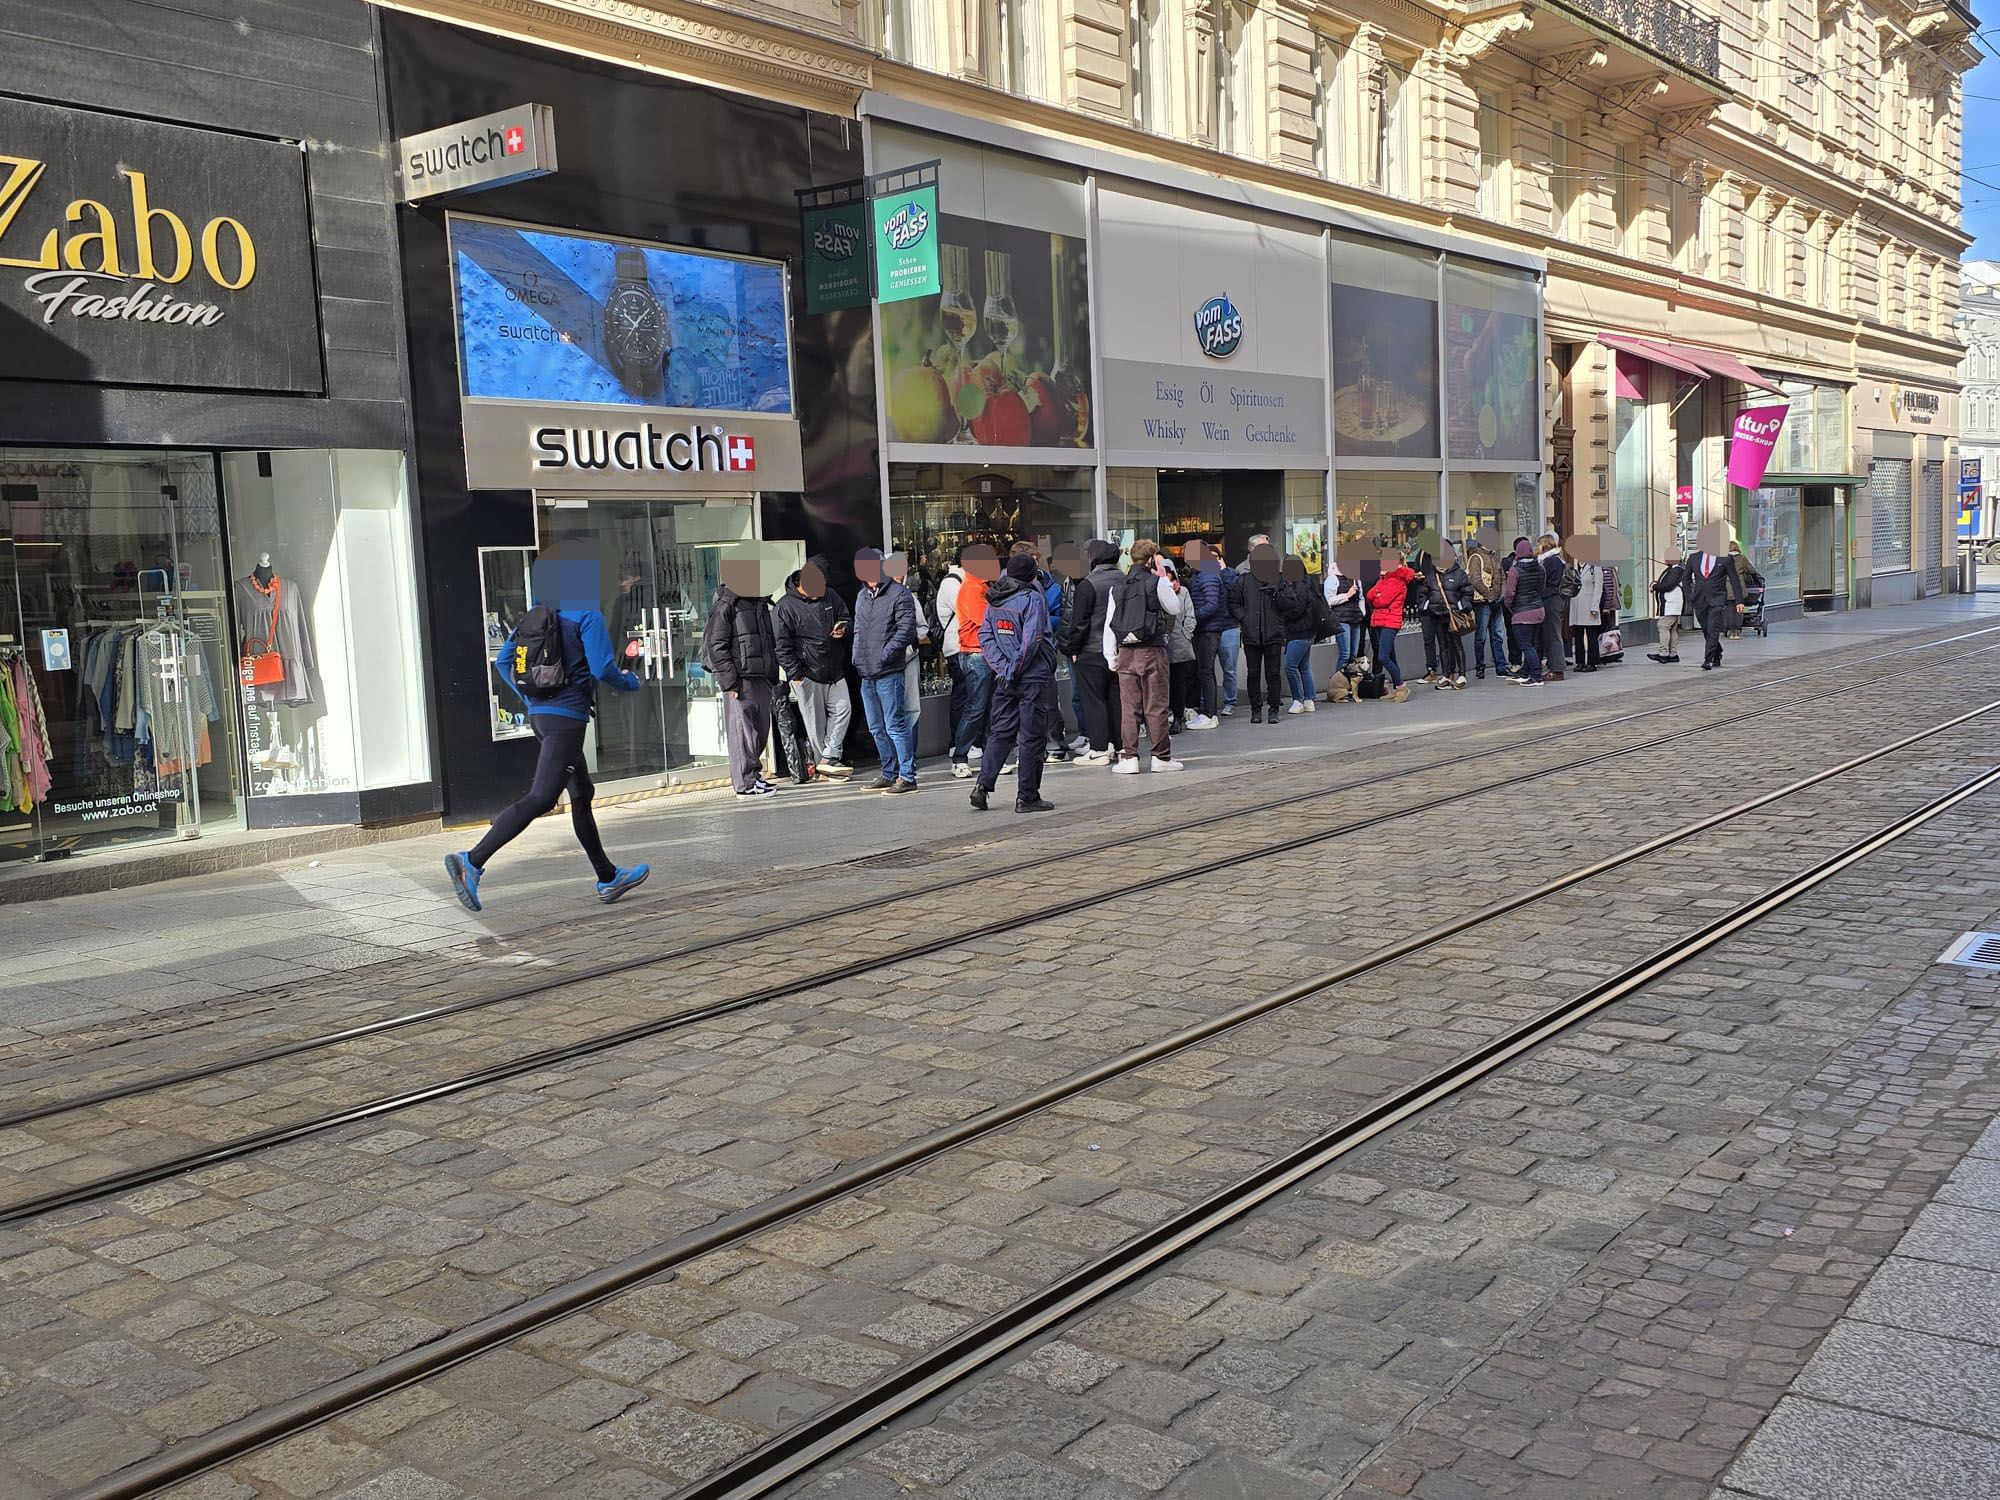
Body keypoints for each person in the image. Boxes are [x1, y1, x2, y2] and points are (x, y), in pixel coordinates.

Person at [446, 571, 649, 912]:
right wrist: (631, 682)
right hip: (567, 721)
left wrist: (529, 701)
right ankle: (472, 860)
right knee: (542, 797)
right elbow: (602, 668)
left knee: (582, 794)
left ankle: (608, 876)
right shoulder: (587, 615)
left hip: (542, 718)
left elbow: (505, 662)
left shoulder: (537, 613)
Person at [969, 552, 1058, 813]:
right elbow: (1032, 640)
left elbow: (985, 636)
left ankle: (982, 787)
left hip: (1006, 677)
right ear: (1032, 575)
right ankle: (1027, 797)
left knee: (1000, 732)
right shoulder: (1032, 598)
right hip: (1031, 676)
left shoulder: (995, 597)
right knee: (1031, 737)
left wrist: (1003, 667)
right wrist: (1016, 667)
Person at [701, 556, 782, 799]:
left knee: (759, 731)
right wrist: (729, 682)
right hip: (740, 679)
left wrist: (772, 676)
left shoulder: (760, 602)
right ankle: (744, 783)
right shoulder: (727, 603)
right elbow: (717, 644)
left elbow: (768, 641)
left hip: (761, 676)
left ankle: (754, 775)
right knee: (742, 733)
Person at [773, 556, 854, 779]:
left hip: (834, 668)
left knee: (843, 709)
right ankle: (826, 766)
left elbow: (846, 618)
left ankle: (829, 757)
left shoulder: (831, 595)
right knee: (815, 723)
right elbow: (781, 646)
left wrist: (843, 629)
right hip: (807, 673)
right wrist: (796, 674)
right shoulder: (784, 607)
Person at [1109, 538, 1186, 773]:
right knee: (1156, 705)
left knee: (1129, 707)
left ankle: (1130, 758)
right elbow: (1175, 608)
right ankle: (1161, 757)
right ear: (1152, 559)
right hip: (1151, 649)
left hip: (1125, 652)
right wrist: (1163, 577)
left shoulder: (1118, 585)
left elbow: (1109, 623)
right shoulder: (1156, 582)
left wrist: (1111, 656)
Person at [853, 547, 919, 791]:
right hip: (866, 672)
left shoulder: (900, 594)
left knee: (895, 725)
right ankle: (888, 772)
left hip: (888, 671)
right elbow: (859, 629)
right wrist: (856, 657)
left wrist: (884, 655)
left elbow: (906, 631)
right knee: (876, 727)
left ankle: (907, 775)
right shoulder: (862, 596)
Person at [1011, 539, 1073, 764]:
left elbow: (1063, 615)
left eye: (1037, 561)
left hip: (1044, 650)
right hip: (1017, 653)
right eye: (1033, 562)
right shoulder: (1006, 587)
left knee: (1048, 700)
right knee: (1020, 703)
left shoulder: (1052, 587)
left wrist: (1044, 620)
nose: (1037, 567)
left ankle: (1054, 744)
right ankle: (1025, 748)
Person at [1064, 539, 1122, 764]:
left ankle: (1099, 748)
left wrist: (1073, 649)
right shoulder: (1124, 580)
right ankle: (1121, 745)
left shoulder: (1088, 584)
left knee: (1093, 700)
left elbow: (1079, 623)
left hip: (1091, 649)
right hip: (1119, 648)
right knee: (1116, 699)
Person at [944, 544, 999, 779]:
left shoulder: (982, 586)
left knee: (988, 708)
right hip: (976, 653)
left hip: (984, 653)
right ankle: (960, 757)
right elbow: (987, 620)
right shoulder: (971, 588)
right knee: (976, 708)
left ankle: (989, 756)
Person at [1232, 542, 1289, 723]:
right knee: (1253, 673)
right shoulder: (1243, 580)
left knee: (1273, 673)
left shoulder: (1280, 579)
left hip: (1273, 633)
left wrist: (1277, 595)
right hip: (1252, 634)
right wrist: (1245, 618)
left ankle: (1273, 709)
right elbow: (1233, 602)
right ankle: (1255, 709)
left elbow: (1290, 604)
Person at [1684, 532, 1746, 670]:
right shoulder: (1694, 558)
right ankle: (1717, 652)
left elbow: (1735, 580)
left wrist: (1739, 601)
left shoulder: (1725, 558)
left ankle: (1708, 659)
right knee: (1706, 628)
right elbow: (1686, 578)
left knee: (1713, 627)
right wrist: (1689, 595)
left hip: (1717, 598)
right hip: (1699, 599)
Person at [1186, 538, 1229, 726]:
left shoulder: (1208, 575)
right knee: (1204, 671)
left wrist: (1192, 617)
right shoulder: (1202, 574)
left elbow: (1211, 605)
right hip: (1205, 629)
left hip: (1208, 630)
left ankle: (1210, 714)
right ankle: (1207, 712)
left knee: (1206, 671)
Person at [1365, 551, 1415, 703]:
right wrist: (1378, 594)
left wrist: (1378, 595)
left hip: (1390, 621)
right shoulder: (1385, 578)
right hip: (1382, 620)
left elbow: (1381, 601)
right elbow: (1370, 594)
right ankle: (1397, 687)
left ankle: (1401, 686)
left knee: (1383, 657)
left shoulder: (1395, 580)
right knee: (1390, 656)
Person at [886, 552, 926, 741]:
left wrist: (909, 643)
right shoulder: (872, 599)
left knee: (911, 706)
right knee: (890, 707)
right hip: (885, 661)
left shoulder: (910, 597)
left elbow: (922, 627)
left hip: (908, 658)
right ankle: (893, 754)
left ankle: (908, 753)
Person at [1423, 545, 1472, 689]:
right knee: (1443, 645)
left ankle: (1461, 674)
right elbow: (1423, 593)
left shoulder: (1459, 573)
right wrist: (1427, 605)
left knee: (1456, 644)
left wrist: (1461, 606)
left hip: (1453, 615)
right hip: (1437, 615)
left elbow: (1468, 592)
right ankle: (1446, 674)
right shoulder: (1431, 575)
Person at [1500, 538, 1547, 685]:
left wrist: (1509, 606)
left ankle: (1536, 676)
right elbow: (1542, 588)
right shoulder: (1540, 568)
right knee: (1532, 644)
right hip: (1538, 610)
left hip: (1522, 612)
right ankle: (1526, 672)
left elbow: (1509, 593)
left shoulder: (1515, 570)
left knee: (1526, 645)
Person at [1466, 531, 1510, 680]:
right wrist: (1491, 598)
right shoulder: (1476, 557)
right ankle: (1480, 667)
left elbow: (1503, 577)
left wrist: (1501, 597)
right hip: (1482, 603)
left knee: (1497, 635)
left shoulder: (1494, 556)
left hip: (1495, 601)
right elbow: (1475, 580)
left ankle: (1501, 666)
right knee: (1481, 637)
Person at [1322, 555, 1366, 702]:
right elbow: (1328, 600)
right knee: (1345, 653)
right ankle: (1336, 685)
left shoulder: (1355, 578)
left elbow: (1361, 598)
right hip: (1341, 619)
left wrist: (1362, 614)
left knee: (1353, 654)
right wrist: (1346, 595)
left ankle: (1350, 687)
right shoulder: (1333, 579)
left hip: (1355, 618)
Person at [1280, 556, 1318, 712]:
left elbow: (1296, 609)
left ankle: (1298, 700)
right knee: (1304, 666)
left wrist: (1282, 613)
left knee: (1290, 666)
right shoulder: (1308, 583)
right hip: (1308, 631)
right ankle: (1309, 699)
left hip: (1299, 631)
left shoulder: (1298, 586)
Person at [1167, 557, 1200, 732]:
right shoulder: (1154, 590)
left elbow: (1190, 616)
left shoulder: (1183, 592)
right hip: (1160, 646)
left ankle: (1177, 717)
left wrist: (1186, 635)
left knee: (1179, 683)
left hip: (1179, 644)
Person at [1536, 535, 1569, 681]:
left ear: (1544, 545)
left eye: (1539, 544)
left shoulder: (1551, 561)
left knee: (1553, 634)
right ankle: (1553, 665)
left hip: (1552, 600)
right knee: (1550, 634)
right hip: (1554, 599)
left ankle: (1557, 669)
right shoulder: (1557, 559)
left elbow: (1545, 581)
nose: (1537, 548)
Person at [1217, 541, 1244, 715]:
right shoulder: (1203, 576)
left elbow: (1236, 595)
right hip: (1212, 627)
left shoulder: (1232, 575)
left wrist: (1222, 572)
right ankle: (1206, 702)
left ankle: (1230, 701)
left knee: (1229, 668)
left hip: (1229, 626)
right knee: (1206, 669)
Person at [1648, 551, 1689, 664]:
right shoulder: (1674, 569)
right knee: (1672, 628)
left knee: (1663, 626)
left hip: (1671, 604)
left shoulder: (1677, 570)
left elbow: (1668, 585)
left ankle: (1663, 653)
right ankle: (1672, 654)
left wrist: (1655, 586)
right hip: (1672, 604)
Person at [1569, 549, 1606, 672]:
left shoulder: (1594, 567)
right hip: (1576, 605)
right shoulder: (1573, 567)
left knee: (1591, 635)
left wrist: (1595, 606)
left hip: (1589, 605)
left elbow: (1598, 588)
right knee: (1578, 635)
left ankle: (1592, 662)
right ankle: (1580, 662)